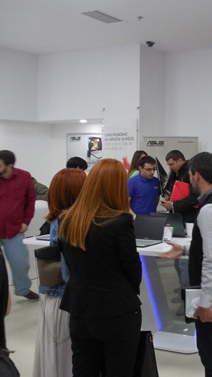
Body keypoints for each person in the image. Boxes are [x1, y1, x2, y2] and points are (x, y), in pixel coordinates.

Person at [59, 159, 141, 376]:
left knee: (83, 369)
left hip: (80, 308)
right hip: (117, 310)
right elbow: (132, 269)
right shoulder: (121, 222)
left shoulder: (68, 220)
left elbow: (70, 263)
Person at [161, 152, 212, 377]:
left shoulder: (210, 209)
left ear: (196, 175)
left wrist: (206, 302)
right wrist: (186, 250)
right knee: (211, 350)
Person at [33, 168, 86, 377]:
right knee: (68, 356)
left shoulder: (59, 218)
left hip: (57, 297)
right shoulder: (69, 221)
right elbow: (67, 270)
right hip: (66, 298)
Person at [162, 150, 199, 313]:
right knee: (179, 262)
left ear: (180, 160)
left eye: (172, 164)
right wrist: (169, 202)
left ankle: (187, 299)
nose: (170, 167)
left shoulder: (191, 172)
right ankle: (184, 291)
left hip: (190, 220)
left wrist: (174, 205)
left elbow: (194, 197)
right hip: (179, 219)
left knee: (185, 263)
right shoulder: (175, 173)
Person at [0, 150, 39, 300]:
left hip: (14, 229)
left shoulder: (24, 177)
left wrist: (26, 221)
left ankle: (23, 290)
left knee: (20, 263)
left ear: (9, 165)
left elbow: (30, 201)